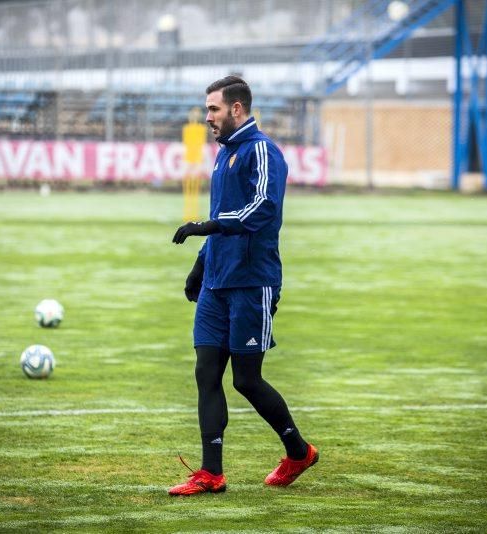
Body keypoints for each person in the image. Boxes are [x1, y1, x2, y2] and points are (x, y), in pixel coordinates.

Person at [169, 76, 318, 496]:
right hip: (218, 282)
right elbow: (224, 212)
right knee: (206, 371)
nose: (207, 118)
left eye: (213, 109)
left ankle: (298, 451)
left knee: (246, 380)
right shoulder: (224, 155)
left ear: (237, 109)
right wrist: (202, 263)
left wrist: (207, 226)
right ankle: (210, 472)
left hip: (253, 282)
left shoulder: (263, 151)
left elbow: (263, 209)